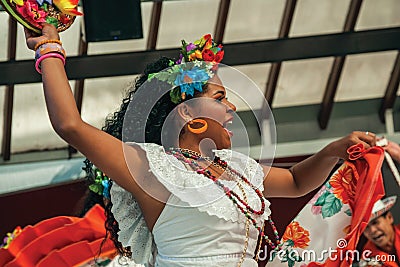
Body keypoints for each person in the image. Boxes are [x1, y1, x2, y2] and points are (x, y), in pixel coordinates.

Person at [24, 23, 379, 267]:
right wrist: (49, 49)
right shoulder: (151, 167)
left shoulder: (235, 171)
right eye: (221, 97)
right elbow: (69, 125)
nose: (232, 108)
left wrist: (333, 150)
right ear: (188, 112)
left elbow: (298, 182)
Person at [361, 196, 399, 267]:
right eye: (365, 228)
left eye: (375, 222)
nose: (372, 230)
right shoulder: (367, 259)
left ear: (389, 217)